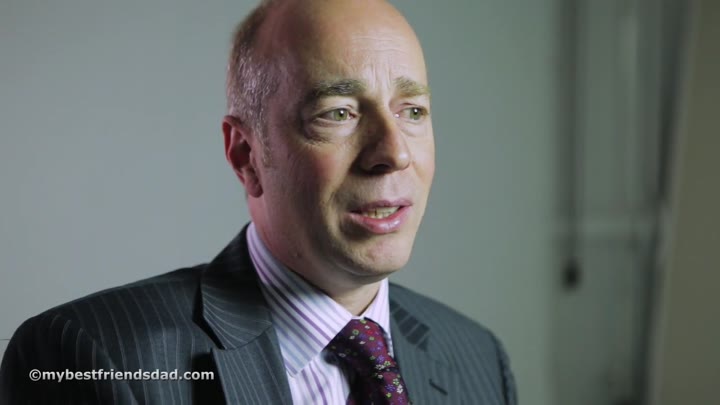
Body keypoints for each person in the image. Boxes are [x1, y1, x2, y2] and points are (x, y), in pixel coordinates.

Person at [0, 0, 517, 403]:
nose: (394, 153)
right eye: (338, 113)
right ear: (246, 155)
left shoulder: (477, 358)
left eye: (413, 111)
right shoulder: (91, 356)